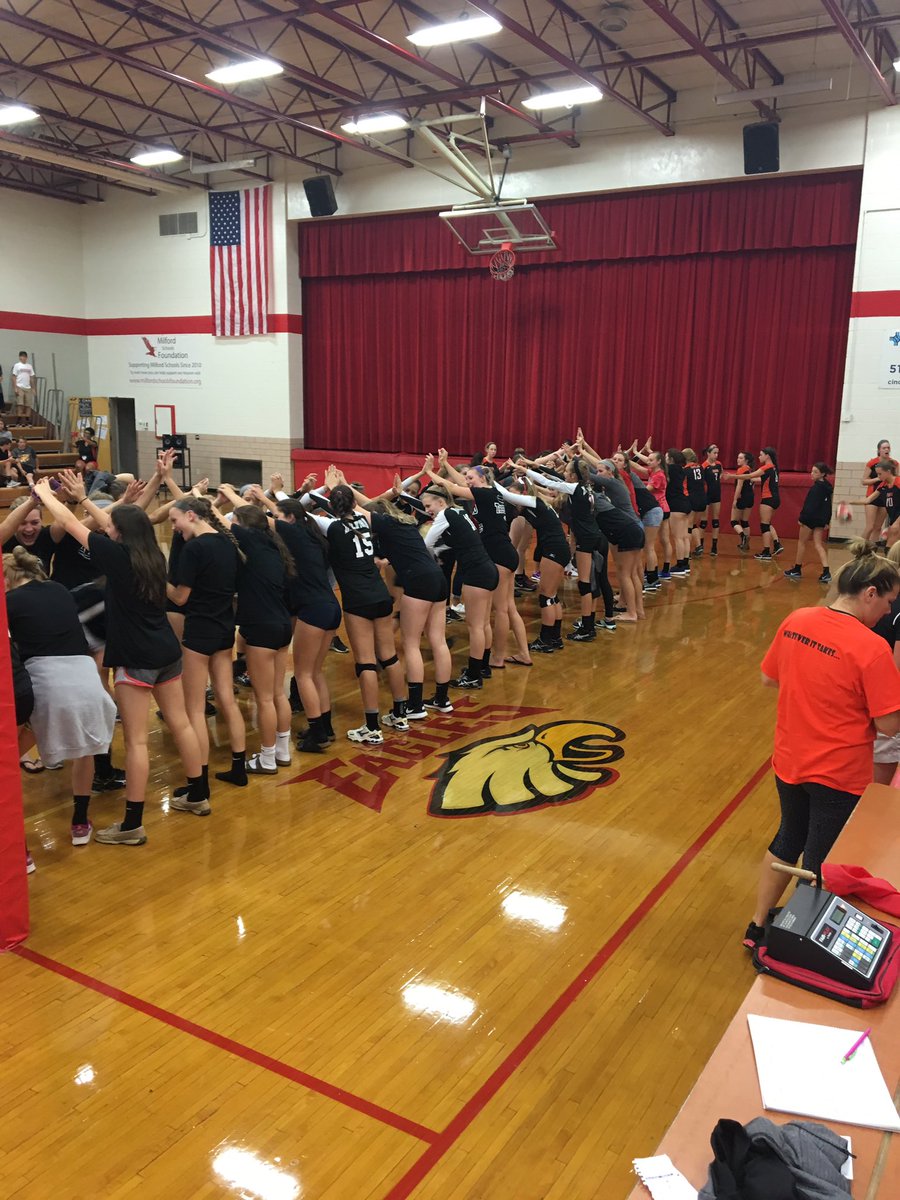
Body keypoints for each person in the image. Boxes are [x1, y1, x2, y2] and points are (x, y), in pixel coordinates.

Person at [743, 541, 900, 948]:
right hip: (838, 772)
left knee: (787, 838)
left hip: (790, 758)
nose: (888, 611)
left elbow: (768, 678)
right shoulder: (871, 647)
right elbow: (887, 726)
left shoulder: (798, 619)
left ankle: (758, 924)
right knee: (820, 858)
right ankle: (798, 942)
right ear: (870, 593)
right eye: (888, 601)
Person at [32, 476, 206, 842]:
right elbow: (110, 521)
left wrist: (48, 496)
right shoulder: (152, 554)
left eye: (112, 527)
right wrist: (83, 497)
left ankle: (132, 825)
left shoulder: (116, 556)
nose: (107, 528)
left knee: (138, 742)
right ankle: (198, 794)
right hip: (167, 651)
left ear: (119, 533)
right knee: (183, 724)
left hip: (137, 656)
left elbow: (70, 524)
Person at [4, 545, 117, 847]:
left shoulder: (8, 602)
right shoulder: (58, 589)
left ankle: (21, 849)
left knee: (8, 762)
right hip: (87, 680)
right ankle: (80, 823)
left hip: (48, 685)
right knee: (86, 754)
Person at [216, 486, 295, 774]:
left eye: (235, 522)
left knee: (264, 698)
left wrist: (209, 502)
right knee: (277, 694)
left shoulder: (251, 541)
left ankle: (267, 757)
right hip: (282, 625)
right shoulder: (273, 546)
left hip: (261, 628)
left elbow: (221, 522)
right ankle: (282, 752)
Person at [419, 481, 500, 679]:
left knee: (475, 626)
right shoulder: (459, 512)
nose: (427, 510)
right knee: (483, 624)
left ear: (440, 501)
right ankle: (482, 667)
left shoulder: (444, 515)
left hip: (477, 574)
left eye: (429, 506)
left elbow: (425, 544)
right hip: (488, 569)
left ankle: (473, 675)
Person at [783, 464, 833, 584]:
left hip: (810, 519)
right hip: (820, 520)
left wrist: (802, 518)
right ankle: (826, 571)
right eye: (812, 471)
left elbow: (809, 506)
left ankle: (797, 569)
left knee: (802, 543)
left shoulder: (816, 489)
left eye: (815, 472)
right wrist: (826, 521)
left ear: (822, 474)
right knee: (818, 545)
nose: (812, 474)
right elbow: (828, 507)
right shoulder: (827, 487)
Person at [860, 438, 895, 546]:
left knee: (878, 527)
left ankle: (872, 550)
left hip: (886, 497)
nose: (887, 449)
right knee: (870, 526)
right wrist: (878, 479)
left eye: (888, 447)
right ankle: (859, 548)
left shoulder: (894, 463)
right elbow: (863, 481)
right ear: (879, 450)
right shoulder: (872, 463)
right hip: (872, 496)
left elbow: (896, 480)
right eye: (884, 448)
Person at [729, 451, 755, 552]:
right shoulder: (750, 470)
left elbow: (739, 487)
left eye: (740, 458)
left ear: (746, 460)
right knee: (744, 521)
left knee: (734, 521)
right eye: (738, 457)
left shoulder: (741, 470)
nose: (738, 459)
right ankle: (746, 544)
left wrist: (735, 500)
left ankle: (743, 536)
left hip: (742, 497)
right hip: (750, 497)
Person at [702, 445, 724, 557]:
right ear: (708, 453)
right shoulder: (704, 466)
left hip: (716, 495)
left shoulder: (719, 464)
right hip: (706, 495)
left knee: (715, 520)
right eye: (714, 453)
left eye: (717, 453)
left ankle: (714, 546)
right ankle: (700, 545)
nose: (716, 455)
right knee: (703, 522)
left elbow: (721, 475)